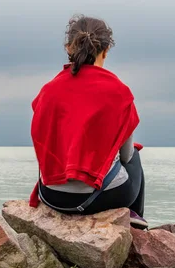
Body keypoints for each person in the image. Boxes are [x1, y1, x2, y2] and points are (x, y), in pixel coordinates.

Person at [28, 15, 147, 229]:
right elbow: (126, 156)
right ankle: (133, 218)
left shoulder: (48, 91)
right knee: (134, 155)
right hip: (103, 197)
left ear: (69, 48)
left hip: (52, 196)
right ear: (106, 50)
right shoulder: (118, 91)